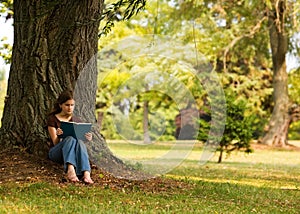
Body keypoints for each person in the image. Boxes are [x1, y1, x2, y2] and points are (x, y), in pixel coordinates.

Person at [47, 89, 94, 184]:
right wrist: (58, 135)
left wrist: (87, 138)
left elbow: (79, 144)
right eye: (67, 105)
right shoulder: (53, 119)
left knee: (79, 142)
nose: (70, 108)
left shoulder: (76, 120)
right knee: (69, 138)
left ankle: (86, 173)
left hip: (74, 153)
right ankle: (70, 169)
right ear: (60, 105)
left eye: (72, 105)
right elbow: (55, 142)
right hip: (57, 152)